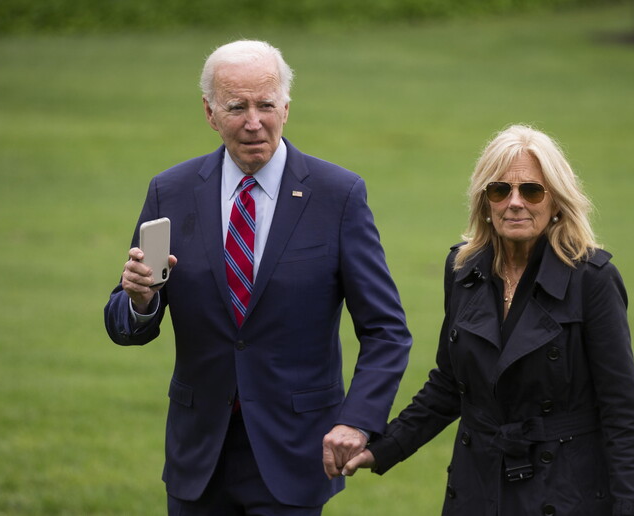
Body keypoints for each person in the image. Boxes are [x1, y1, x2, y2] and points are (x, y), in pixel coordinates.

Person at [103, 39, 412, 515]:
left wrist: (358, 421)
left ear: (286, 107)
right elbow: (126, 319)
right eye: (236, 106)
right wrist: (140, 301)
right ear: (209, 112)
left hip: (295, 454)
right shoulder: (171, 191)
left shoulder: (338, 196)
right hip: (198, 455)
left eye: (266, 104)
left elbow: (386, 330)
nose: (253, 121)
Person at [341, 125, 634, 516]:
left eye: (531, 190)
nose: (514, 203)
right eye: (499, 190)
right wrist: (383, 448)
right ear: (484, 203)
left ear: (556, 201)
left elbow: (623, 413)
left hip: (564, 491)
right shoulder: (462, 269)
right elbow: (449, 385)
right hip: (477, 485)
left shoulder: (591, 280)